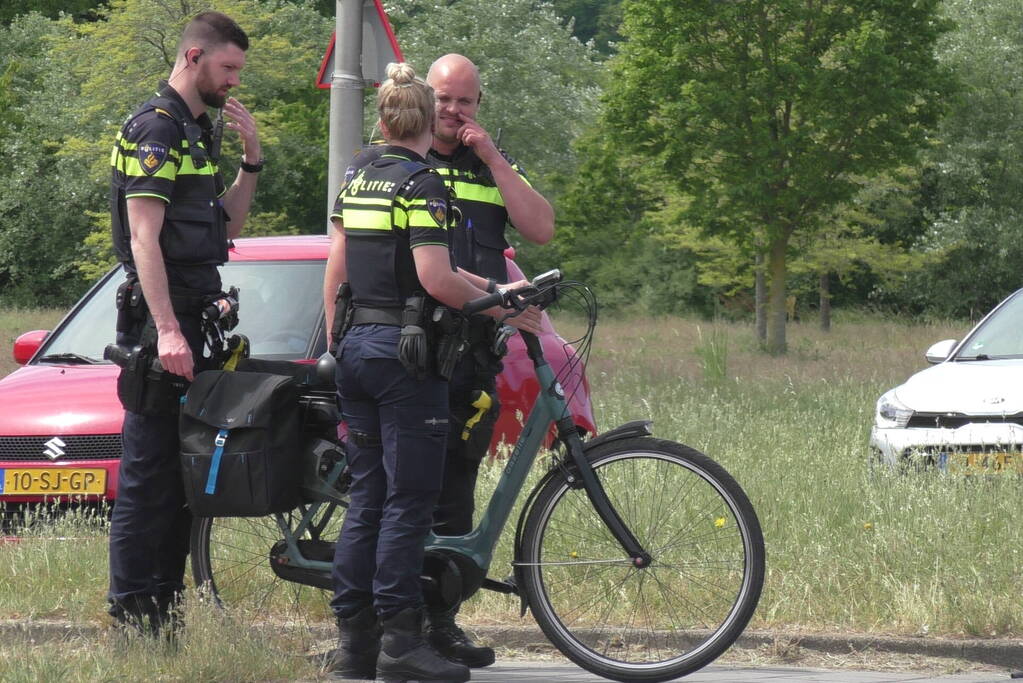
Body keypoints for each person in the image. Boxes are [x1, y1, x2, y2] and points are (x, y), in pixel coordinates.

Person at [331, 53, 556, 668]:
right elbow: (349, 259)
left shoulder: (486, 168)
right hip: (410, 350)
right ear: (424, 102)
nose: (455, 111)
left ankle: (437, 624)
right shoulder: (395, 169)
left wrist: (492, 158)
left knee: (450, 493)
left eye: (467, 101)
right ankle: (395, 638)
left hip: (469, 354)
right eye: (445, 100)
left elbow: (540, 227)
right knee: (405, 497)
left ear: (479, 106)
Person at [107, 11, 262, 636]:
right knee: (148, 479)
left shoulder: (198, 134)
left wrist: (251, 163)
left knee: (182, 479)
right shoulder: (156, 129)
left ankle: (163, 618)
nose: (233, 82)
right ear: (194, 57)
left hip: (197, 323)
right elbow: (144, 240)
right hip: (159, 327)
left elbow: (224, 229)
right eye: (228, 68)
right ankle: (133, 620)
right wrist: (168, 330)